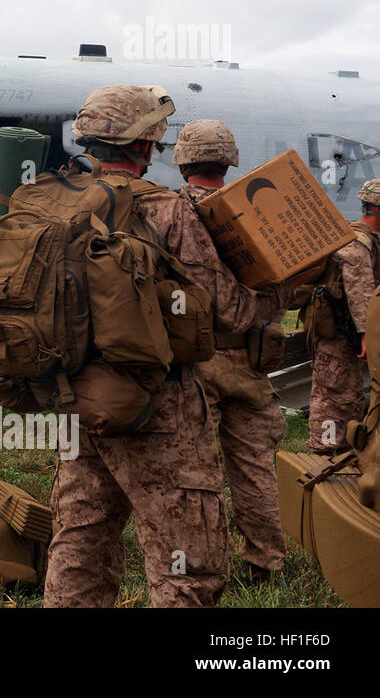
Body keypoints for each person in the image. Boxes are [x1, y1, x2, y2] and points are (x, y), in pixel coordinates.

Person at [42, 86, 295, 607]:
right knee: (188, 564)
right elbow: (230, 310)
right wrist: (277, 291)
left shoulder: (50, 204)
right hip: (159, 407)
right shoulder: (166, 210)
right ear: (145, 146)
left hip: (75, 398)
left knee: (80, 541)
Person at [174, 119, 286, 582]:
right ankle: (267, 564)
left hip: (194, 361)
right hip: (252, 357)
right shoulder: (258, 208)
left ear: (182, 162)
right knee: (255, 465)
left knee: (196, 470)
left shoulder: (168, 212)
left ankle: (203, 567)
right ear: (229, 161)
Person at [303, 179, 380, 453]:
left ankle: (346, 447)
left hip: (344, 333)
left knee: (347, 395)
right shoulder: (357, 243)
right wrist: (366, 338)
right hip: (339, 335)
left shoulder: (364, 240)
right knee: (332, 395)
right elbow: (361, 294)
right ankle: (325, 450)